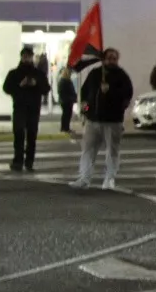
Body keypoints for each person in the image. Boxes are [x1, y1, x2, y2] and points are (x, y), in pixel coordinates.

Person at [72, 48, 133, 190]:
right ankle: (84, 178)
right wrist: (85, 108)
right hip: (93, 119)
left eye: (114, 58)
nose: (111, 60)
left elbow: (126, 96)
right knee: (88, 150)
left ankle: (109, 179)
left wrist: (110, 91)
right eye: (109, 58)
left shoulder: (122, 76)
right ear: (103, 59)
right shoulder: (95, 74)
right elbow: (85, 93)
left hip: (112, 121)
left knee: (112, 151)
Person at [1, 47, 48, 172]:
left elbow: (46, 89)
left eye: (29, 56)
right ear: (21, 57)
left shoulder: (38, 74)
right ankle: (18, 161)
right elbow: (6, 88)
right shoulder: (14, 73)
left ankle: (29, 161)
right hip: (19, 107)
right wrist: (19, 85)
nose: (27, 58)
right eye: (25, 56)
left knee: (32, 135)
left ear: (32, 57)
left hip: (33, 108)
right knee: (19, 133)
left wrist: (36, 83)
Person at [56, 67, 77, 133]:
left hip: (67, 100)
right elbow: (62, 92)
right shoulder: (64, 81)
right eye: (70, 73)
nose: (70, 74)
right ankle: (65, 128)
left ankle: (65, 128)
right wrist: (71, 98)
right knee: (66, 115)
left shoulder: (66, 80)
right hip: (66, 101)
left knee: (67, 115)